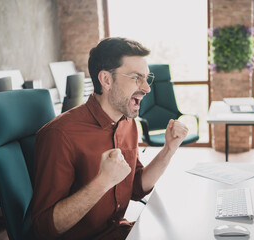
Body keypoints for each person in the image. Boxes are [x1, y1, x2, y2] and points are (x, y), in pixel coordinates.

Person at [31, 37, 188, 240]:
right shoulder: (60, 135)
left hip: (119, 232)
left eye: (146, 78)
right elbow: (45, 228)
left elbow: (137, 188)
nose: (147, 88)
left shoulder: (127, 122)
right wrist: (103, 181)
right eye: (136, 78)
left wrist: (169, 149)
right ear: (106, 80)